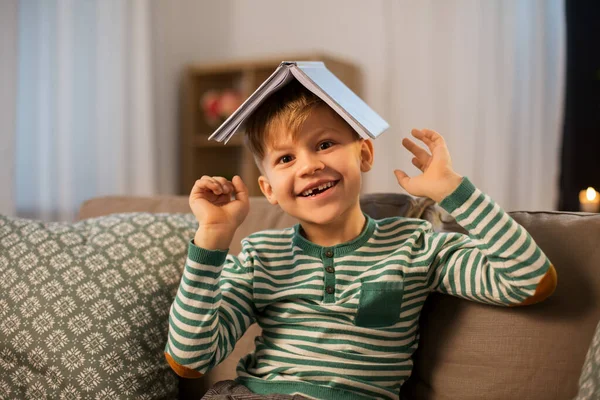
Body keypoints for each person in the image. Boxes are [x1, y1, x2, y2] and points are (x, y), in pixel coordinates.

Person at [164, 81, 557, 400]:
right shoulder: (258, 257)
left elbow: (529, 281)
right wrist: (213, 238)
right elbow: (190, 359)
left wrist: (453, 191)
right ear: (269, 189)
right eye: (286, 159)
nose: (310, 165)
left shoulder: (416, 244)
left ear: (364, 154)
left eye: (324, 144)